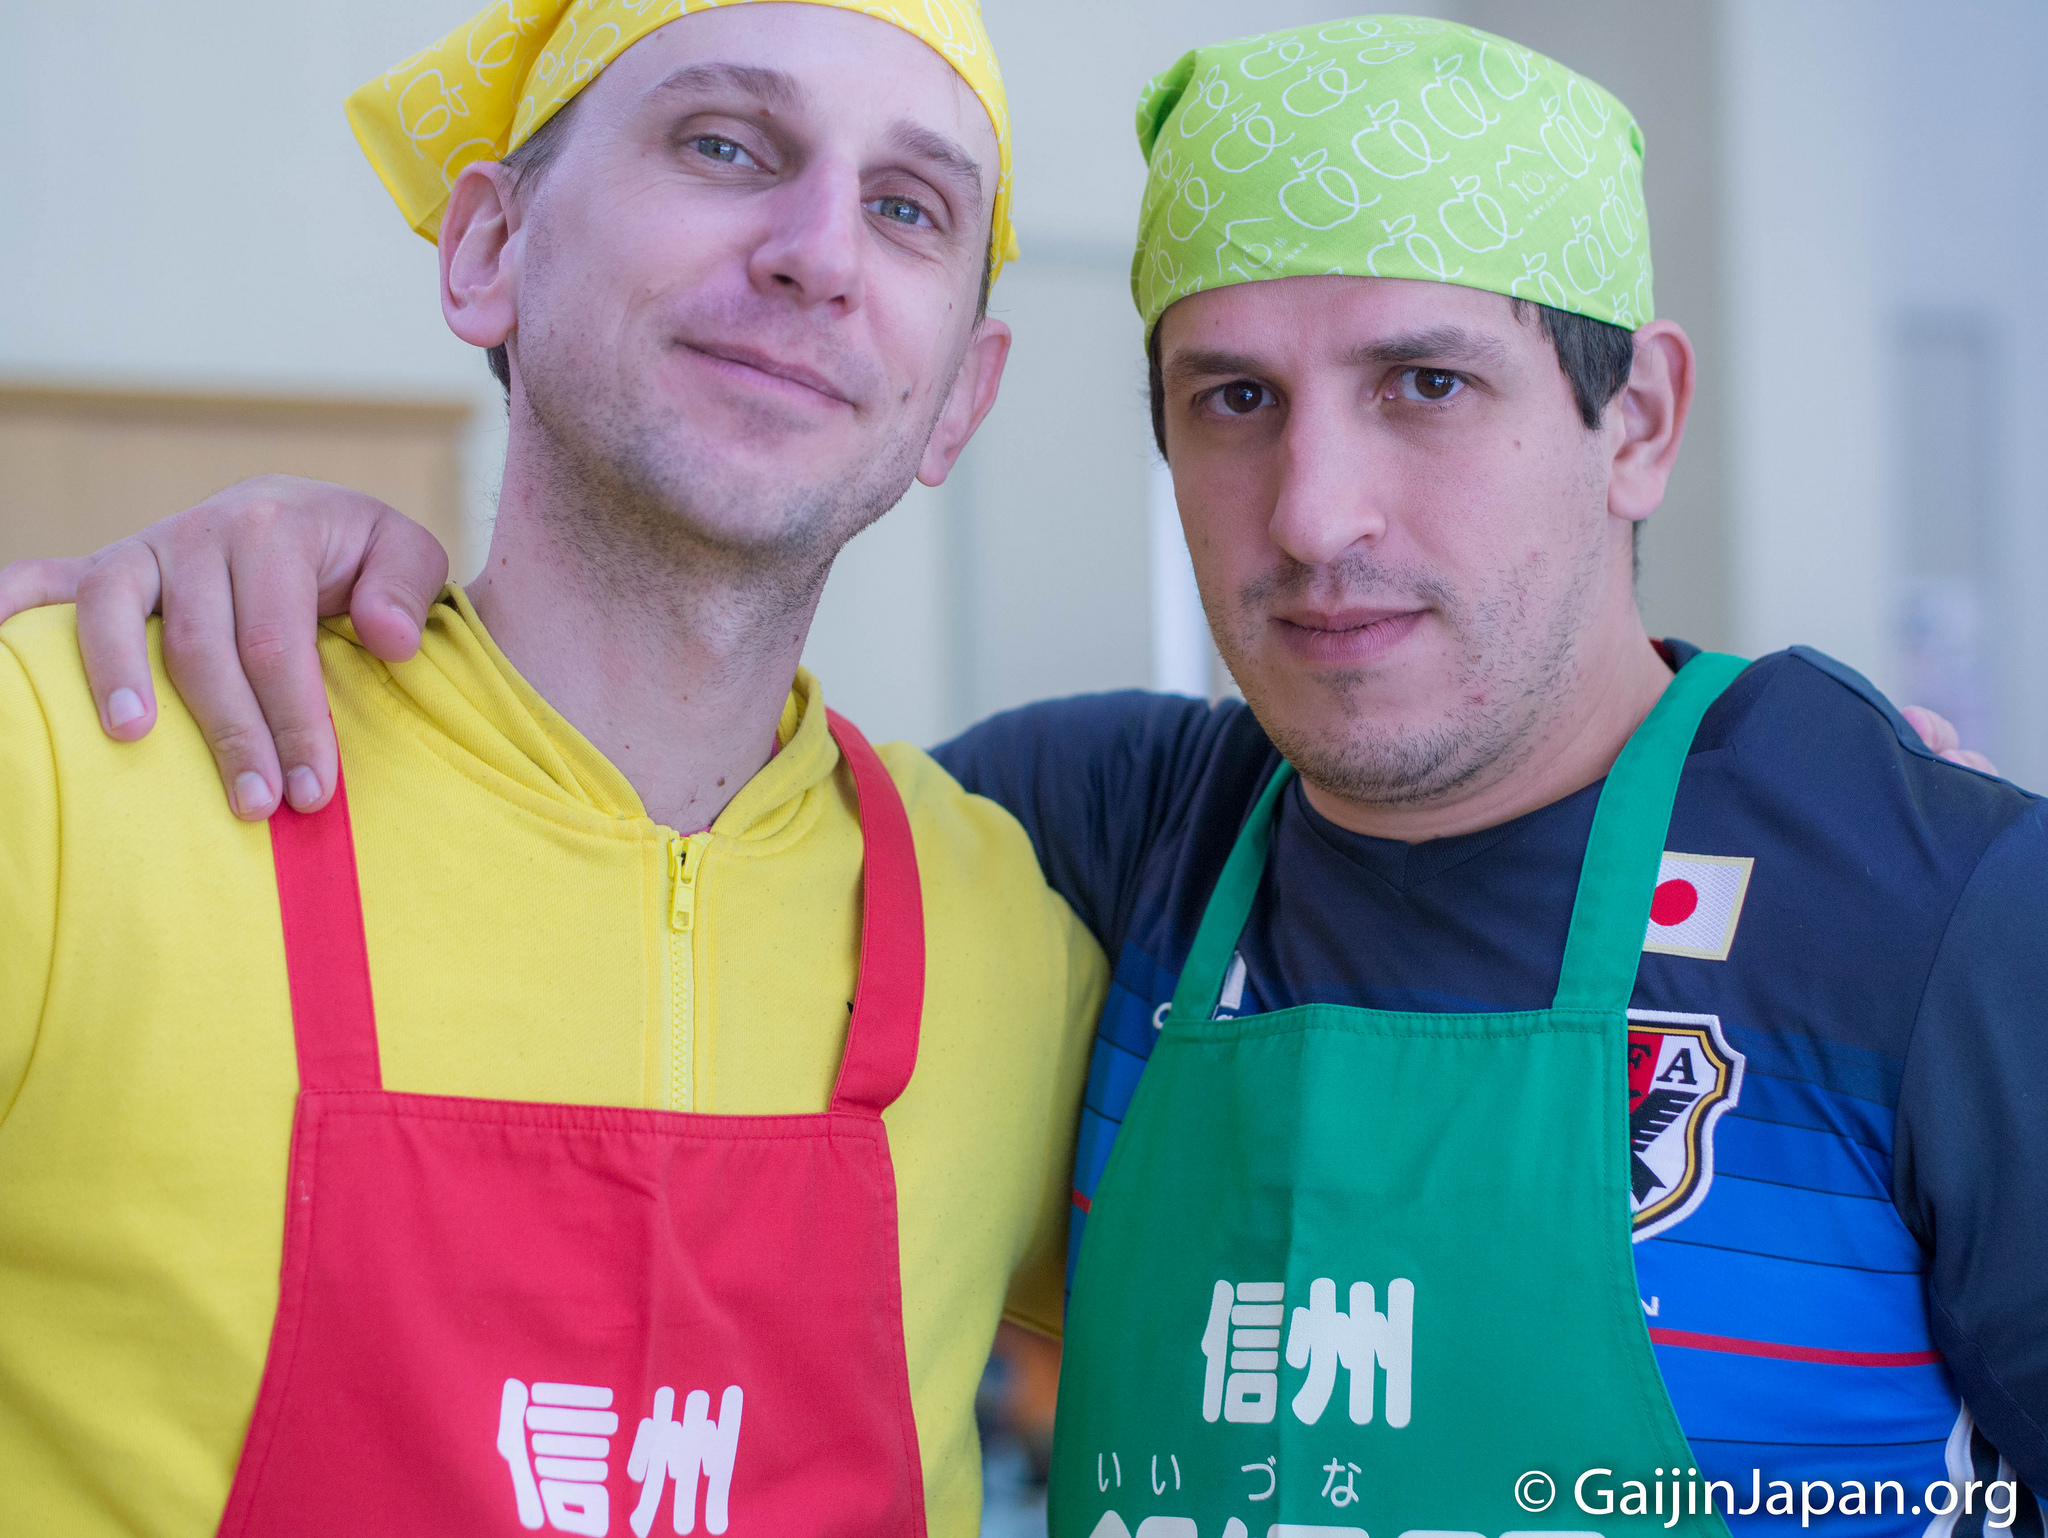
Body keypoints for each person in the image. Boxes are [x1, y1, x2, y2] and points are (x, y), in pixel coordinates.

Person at [9, 12, 2045, 1538]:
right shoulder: (1082, 850)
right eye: (1230, 399)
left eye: (1427, 384)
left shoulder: (1933, 902)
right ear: (485, 250)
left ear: (1639, 422)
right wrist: (241, 550)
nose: (1314, 511)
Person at [0, 3, 1108, 1535]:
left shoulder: (1019, 945)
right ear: (488, 250)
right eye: (725, 144)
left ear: (961, 398)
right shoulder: (77, 767)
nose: (820, 252)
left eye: (908, 208)